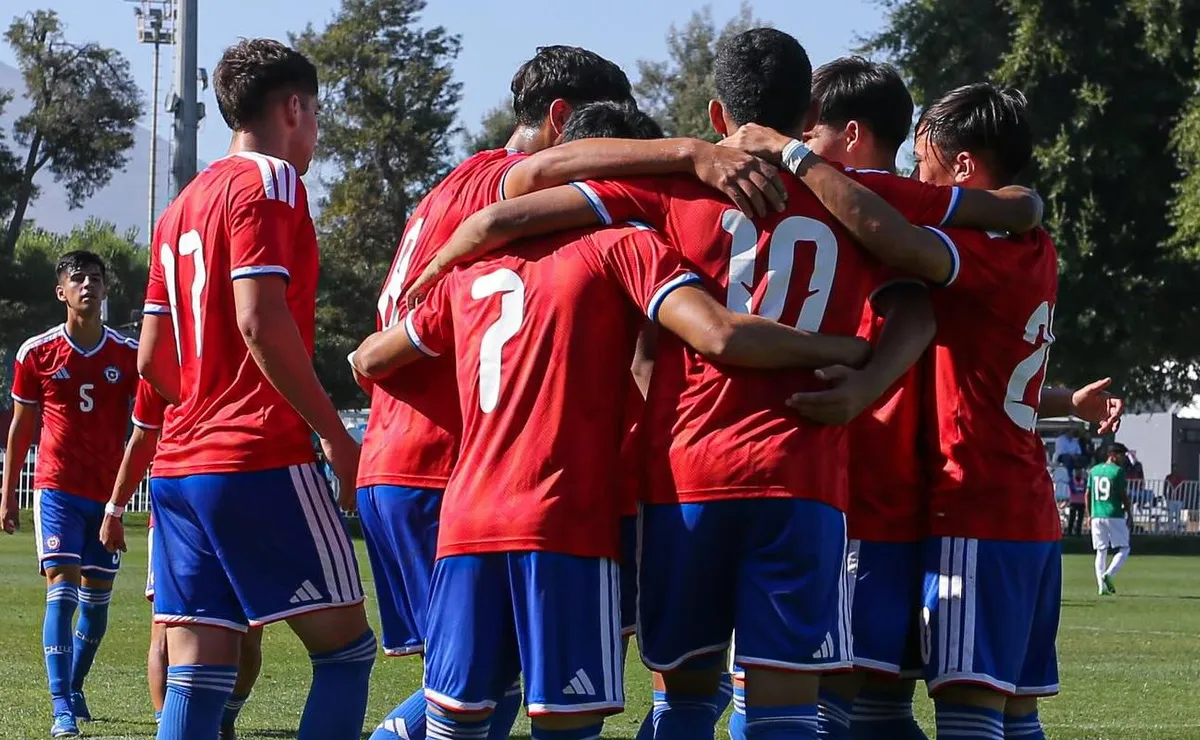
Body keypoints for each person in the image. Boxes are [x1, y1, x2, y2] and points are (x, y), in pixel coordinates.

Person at [408, 31, 1043, 740]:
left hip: (686, 478)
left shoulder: (674, 186)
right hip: (802, 473)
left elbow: (528, 185)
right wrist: (864, 386)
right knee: (787, 711)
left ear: (717, 113)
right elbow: (944, 284)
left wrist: (679, 155)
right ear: (806, 113)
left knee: (684, 702)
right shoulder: (859, 196)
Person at [350, 167, 872, 740]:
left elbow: (371, 359)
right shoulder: (623, 247)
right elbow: (716, 334)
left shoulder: (469, 272)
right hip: (563, 522)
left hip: (466, 521)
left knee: (454, 723)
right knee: (566, 725)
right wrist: (851, 349)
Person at [357, 45, 782, 740]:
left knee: (473, 697)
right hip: (492, 470)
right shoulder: (524, 198)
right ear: (563, 121)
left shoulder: (454, 190)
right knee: (545, 694)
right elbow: (708, 335)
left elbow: (369, 356)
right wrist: (692, 155)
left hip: (435, 466)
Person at [762, 82, 1124, 740]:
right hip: (1017, 512)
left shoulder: (987, 244)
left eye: (924, 159)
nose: (915, 175)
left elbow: (894, 237)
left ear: (963, 167)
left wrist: (791, 156)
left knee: (969, 716)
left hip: (974, 510)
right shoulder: (1030, 240)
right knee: (999, 715)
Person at [137, 39, 373, 740]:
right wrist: (335, 435)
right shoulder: (272, 181)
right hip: (256, 457)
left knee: (199, 677)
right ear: (295, 107)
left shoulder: (179, 207)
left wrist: (206, 402)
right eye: (318, 115)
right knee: (348, 652)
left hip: (178, 468)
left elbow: (153, 359)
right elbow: (259, 318)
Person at [1, 250, 139, 738]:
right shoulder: (35, 352)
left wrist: (127, 498)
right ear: (61, 291)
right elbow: (20, 428)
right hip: (56, 487)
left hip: (107, 499)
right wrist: (7, 494)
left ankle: (76, 684)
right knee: (61, 590)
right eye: (77, 279)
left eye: (96, 279)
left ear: (106, 290)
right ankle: (60, 705)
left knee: (97, 604)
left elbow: (146, 427)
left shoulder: (127, 354)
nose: (88, 285)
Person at [98, 380, 263, 740]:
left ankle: (224, 721)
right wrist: (115, 507)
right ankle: (167, 726)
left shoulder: (252, 351)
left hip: (243, 502)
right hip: (178, 513)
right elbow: (142, 436)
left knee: (250, 636)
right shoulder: (164, 360)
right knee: (167, 633)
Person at [1087, 443, 1132, 595]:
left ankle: (1101, 585)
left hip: (1096, 515)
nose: (1123, 459)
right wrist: (1129, 512)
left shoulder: (1094, 470)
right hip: (1113, 513)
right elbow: (1122, 494)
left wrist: (1089, 514)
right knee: (1124, 548)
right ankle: (1108, 574)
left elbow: (1088, 494)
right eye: (1121, 455)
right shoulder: (1117, 471)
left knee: (1101, 550)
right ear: (1112, 455)